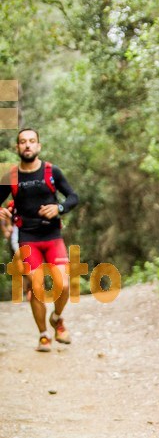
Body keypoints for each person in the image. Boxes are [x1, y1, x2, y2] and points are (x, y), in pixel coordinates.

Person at [0, 128, 79, 351]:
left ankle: (57, 318)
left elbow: (73, 197)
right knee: (36, 287)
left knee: (63, 285)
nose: (27, 145)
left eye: (32, 141)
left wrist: (59, 208)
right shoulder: (11, 176)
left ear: (39, 146)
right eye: (23, 142)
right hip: (28, 238)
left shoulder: (52, 171)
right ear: (17, 148)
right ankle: (44, 335)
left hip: (52, 236)